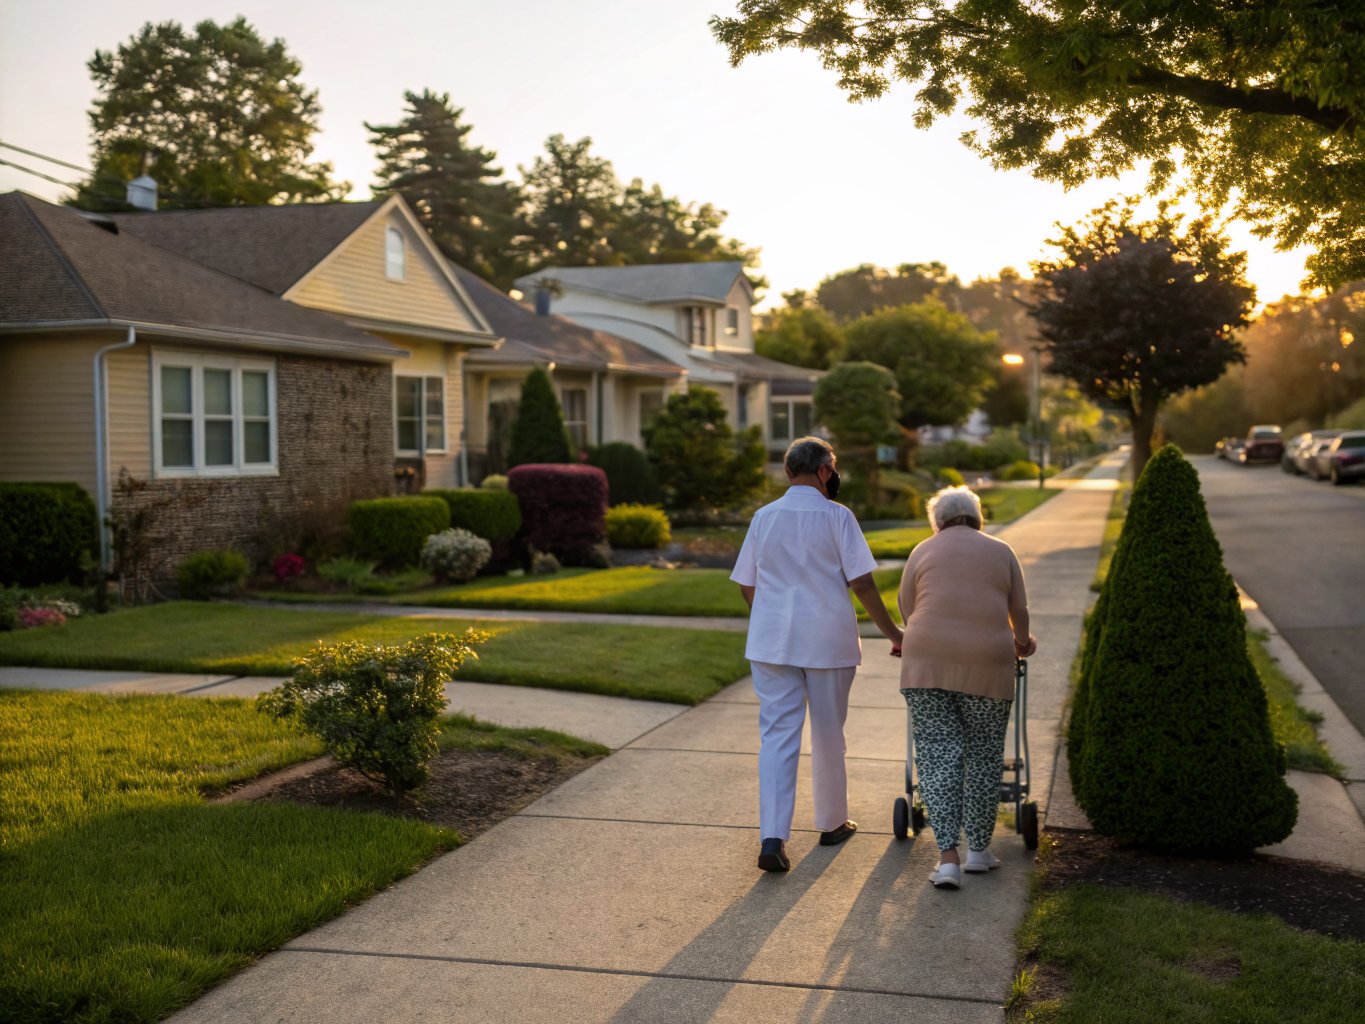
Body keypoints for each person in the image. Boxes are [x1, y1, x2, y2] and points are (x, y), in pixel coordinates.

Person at [731, 436, 904, 872]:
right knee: (828, 731)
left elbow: (746, 582)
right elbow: (862, 583)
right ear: (827, 470)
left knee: (776, 736)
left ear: (789, 472)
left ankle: (772, 837)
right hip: (827, 640)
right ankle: (831, 823)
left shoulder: (763, 517)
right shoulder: (838, 516)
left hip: (771, 643)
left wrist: (769, 617)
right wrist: (893, 633)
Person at [898, 485, 1036, 889]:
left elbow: (909, 608)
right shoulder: (1001, 550)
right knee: (983, 754)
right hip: (987, 663)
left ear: (938, 521)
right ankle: (979, 852)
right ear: (978, 517)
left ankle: (947, 861)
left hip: (926, 662)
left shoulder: (922, 550)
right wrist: (1023, 644)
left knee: (938, 756)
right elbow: (1019, 611)